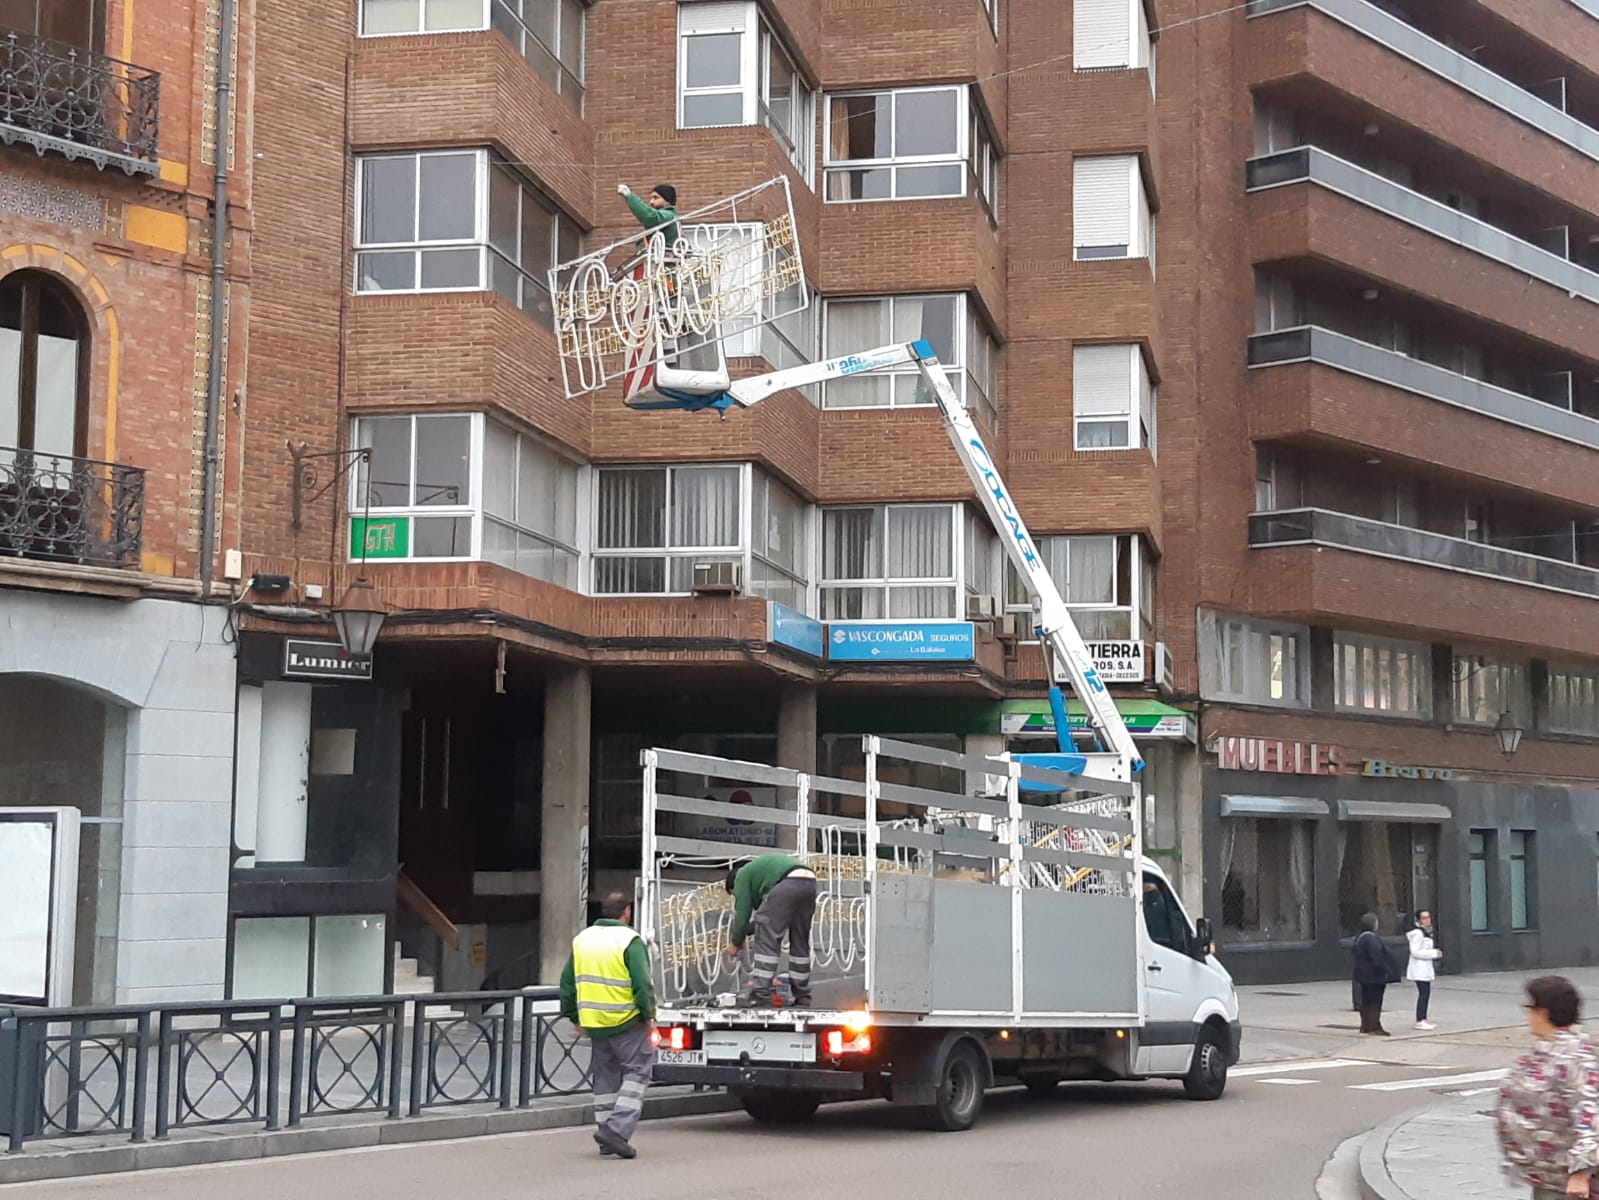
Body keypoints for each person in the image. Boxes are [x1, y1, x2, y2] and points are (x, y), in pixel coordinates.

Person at [559, 892, 656, 1160]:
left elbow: (567, 985)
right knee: (638, 1072)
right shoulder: (629, 940)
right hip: (626, 1021)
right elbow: (642, 982)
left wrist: (574, 1017)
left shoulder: (583, 939)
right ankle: (616, 1130)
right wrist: (648, 1014)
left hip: (594, 1023)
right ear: (627, 913)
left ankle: (604, 1134)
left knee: (605, 1077)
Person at [1496, 975, 1599, 1199]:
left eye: (1528, 1007)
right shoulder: (1550, 1051)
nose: (1527, 1015)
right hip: (1549, 1177)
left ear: (1542, 1012)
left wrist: (1581, 1172)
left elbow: (1590, 1115)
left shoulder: (1575, 1058)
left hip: (1569, 1185)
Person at [724, 853, 818, 1007]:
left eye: (735, 895)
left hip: (788, 883)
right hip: (809, 883)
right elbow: (769, 919)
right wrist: (749, 929)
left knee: (767, 939)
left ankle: (760, 993)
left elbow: (743, 915)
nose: (737, 897)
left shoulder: (742, 876)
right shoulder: (762, 873)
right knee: (800, 940)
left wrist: (735, 943)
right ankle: (803, 996)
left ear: (733, 886)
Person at [1352, 912, 1400, 1036]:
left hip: (1363, 975)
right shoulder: (1371, 938)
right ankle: (1374, 1026)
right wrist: (1385, 969)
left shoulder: (1360, 937)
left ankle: (1365, 1026)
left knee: (1366, 1000)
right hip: (1374, 976)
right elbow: (1376, 956)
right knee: (1375, 1001)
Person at [616, 182, 679, 254]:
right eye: (651, 198)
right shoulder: (668, 216)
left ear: (667, 200)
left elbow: (650, 217)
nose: (651, 202)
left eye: (655, 198)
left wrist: (630, 197)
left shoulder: (669, 215)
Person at [1406, 911, 1444, 1031]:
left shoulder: (1427, 933)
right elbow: (1415, 951)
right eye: (1424, 918)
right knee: (1424, 994)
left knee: (1425, 994)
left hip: (1424, 969)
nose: (1427, 920)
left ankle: (1423, 1019)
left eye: (1428, 917)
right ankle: (1420, 1019)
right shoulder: (1418, 933)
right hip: (1419, 969)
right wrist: (1433, 953)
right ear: (1419, 920)